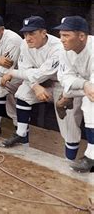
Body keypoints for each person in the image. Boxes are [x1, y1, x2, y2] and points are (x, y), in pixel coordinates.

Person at [0, 16, 80, 160]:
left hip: (61, 85)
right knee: (22, 93)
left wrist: (13, 72)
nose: (27, 38)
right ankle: (22, 136)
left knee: (68, 124)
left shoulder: (57, 47)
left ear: (43, 33)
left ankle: (70, 161)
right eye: (25, 34)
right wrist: (35, 86)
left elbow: (40, 74)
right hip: (39, 83)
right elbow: (27, 70)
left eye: (32, 33)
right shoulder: (25, 44)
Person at [55, 16, 94, 172]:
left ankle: (91, 156)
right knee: (67, 89)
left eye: (66, 35)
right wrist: (84, 84)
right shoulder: (65, 50)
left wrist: (85, 86)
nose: (62, 40)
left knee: (90, 102)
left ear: (82, 36)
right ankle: (66, 98)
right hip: (85, 86)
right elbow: (64, 77)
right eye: (61, 35)